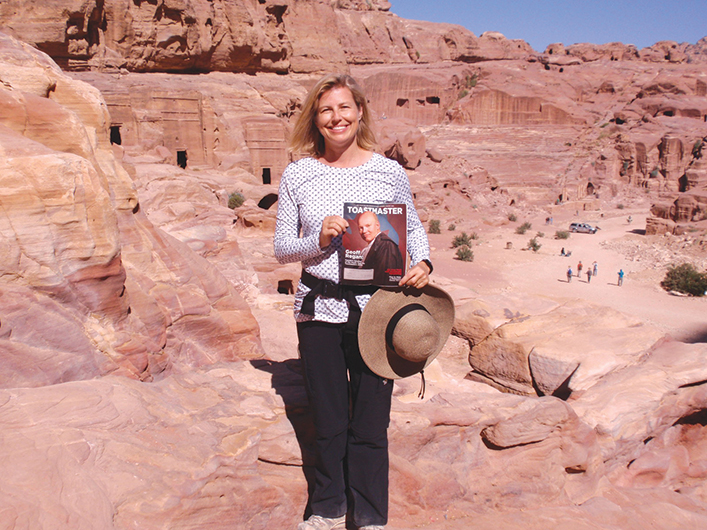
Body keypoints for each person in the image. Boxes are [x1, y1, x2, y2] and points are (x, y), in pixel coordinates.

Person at [274, 73, 432, 530]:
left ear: (360, 113)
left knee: (369, 419)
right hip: (318, 308)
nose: (336, 117)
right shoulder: (299, 173)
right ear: (315, 119)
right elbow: (283, 248)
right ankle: (327, 508)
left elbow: (414, 228)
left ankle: (369, 516)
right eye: (326, 110)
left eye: (345, 108)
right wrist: (315, 239)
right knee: (328, 416)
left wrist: (422, 262)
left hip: (378, 310)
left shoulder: (388, 171)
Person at [358, 211, 404, 285]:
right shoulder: (370, 246)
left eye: (368, 226)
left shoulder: (386, 245)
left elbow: (384, 280)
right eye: (361, 228)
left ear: (377, 225)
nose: (364, 231)